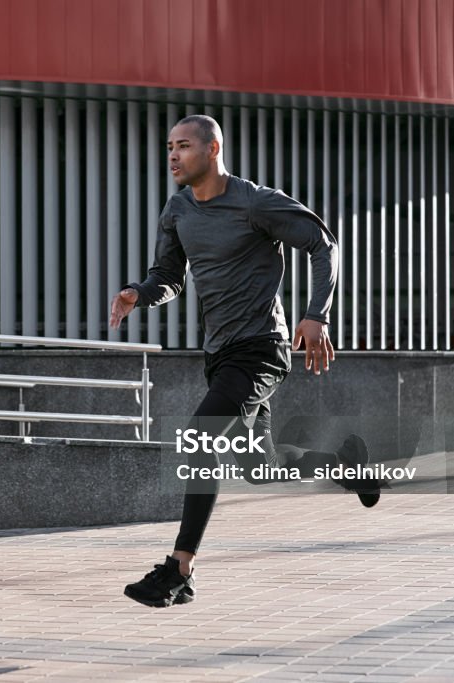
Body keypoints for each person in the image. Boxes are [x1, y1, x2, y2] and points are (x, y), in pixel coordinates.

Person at [109, 114, 379, 609]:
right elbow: (169, 277)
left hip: (260, 349)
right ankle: (348, 464)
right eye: (169, 146)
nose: (172, 155)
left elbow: (324, 244)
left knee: (199, 437)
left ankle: (179, 569)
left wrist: (316, 315)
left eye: (183, 146)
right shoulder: (178, 210)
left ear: (213, 149)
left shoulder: (254, 202)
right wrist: (138, 293)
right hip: (219, 354)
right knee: (263, 468)